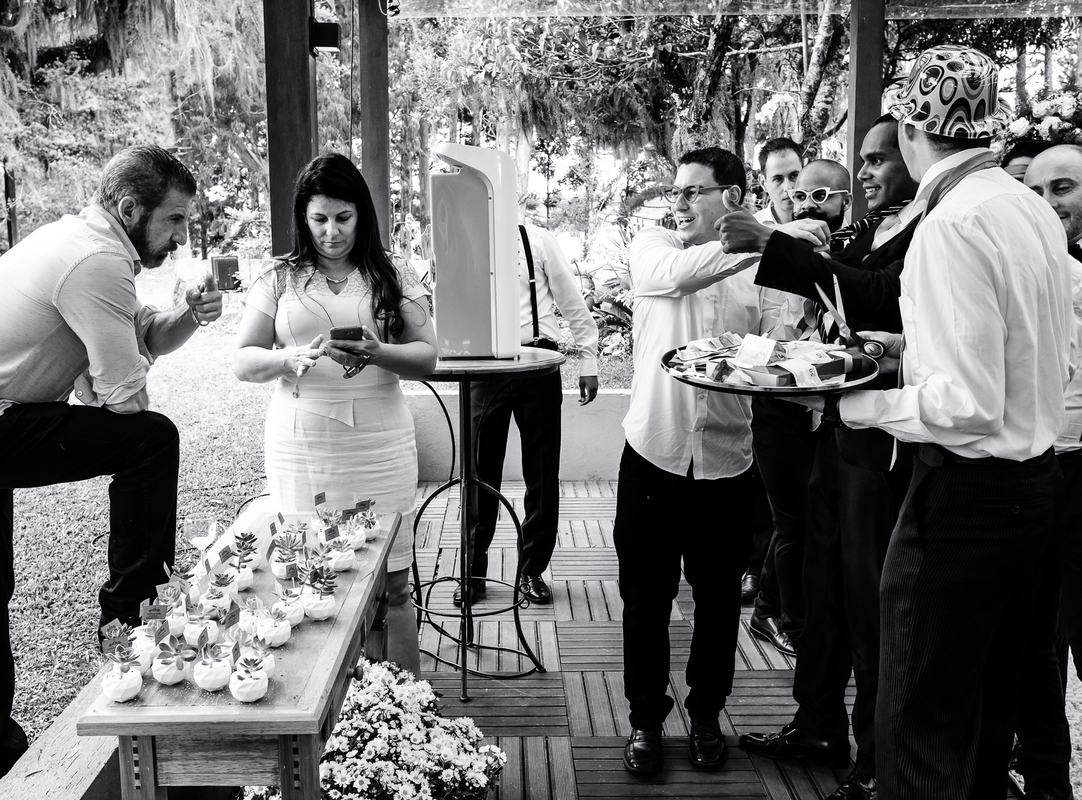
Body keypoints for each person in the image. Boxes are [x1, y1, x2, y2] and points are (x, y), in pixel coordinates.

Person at [0, 143, 222, 798]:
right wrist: (127, 366)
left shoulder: (87, 244)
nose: (179, 235)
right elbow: (122, 402)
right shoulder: (96, 260)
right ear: (129, 207)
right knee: (152, 439)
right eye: (172, 220)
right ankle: (132, 626)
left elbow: (140, 335)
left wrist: (186, 317)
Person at [823, 47, 1071, 800]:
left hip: (965, 503)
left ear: (907, 129)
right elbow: (1022, 350)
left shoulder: (950, 223)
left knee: (920, 723)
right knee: (990, 719)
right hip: (1035, 493)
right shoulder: (1024, 205)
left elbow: (966, 404)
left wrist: (850, 402)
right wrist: (906, 350)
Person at [720, 114, 920, 800]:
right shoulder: (868, 230)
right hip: (833, 435)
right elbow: (838, 294)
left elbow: (877, 298)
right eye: (861, 160)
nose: (865, 172)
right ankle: (817, 724)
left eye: (878, 159)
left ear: (917, 154)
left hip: (883, 444)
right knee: (820, 582)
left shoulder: (927, 231)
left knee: (868, 603)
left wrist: (775, 240)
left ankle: (873, 756)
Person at [616, 146, 826, 775]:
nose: (678, 203)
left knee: (716, 604)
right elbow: (682, 277)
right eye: (676, 191)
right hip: (653, 457)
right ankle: (646, 721)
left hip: (730, 465)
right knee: (644, 600)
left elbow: (781, 346)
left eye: (694, 192)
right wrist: (773, 238)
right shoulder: (652, 245)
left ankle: (706, 715)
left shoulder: (759, 268)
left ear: (732, 197)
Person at [233, 152, 436, 678]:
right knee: (307, 579)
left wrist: (378, 352)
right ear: (303, 216)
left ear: (362, 214)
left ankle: (402, 713)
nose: (331, 232)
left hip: (380, 444)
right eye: (318, 219)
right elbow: (243, 359)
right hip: (302, 446)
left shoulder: (392, 272)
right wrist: (287, 358)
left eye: (343, 218)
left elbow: (428, 356)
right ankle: (323, 715)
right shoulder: (280, 277)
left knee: (392, 584)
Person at [455, 194, 599, 607]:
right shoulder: (463, 246)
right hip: (484, 370)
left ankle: (531, 569)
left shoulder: (538, 239)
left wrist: (588, 358)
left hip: (538, 365)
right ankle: (473, 571)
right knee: (479, 475)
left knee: (541, 473)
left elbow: (572, 301)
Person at [1018, 143, 1082, 800]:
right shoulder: (1026, 259)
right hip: (1026, 471)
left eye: (1063, 187)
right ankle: (1047, 783)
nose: (1048, 203)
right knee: (1028, 648)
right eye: (1035, 190)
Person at [743, 156, 851, 657]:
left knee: (815, 520)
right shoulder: (767, 257)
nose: (804, 201)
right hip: (780, 404)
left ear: (845, 201)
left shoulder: (856, 255)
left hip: (832, 409)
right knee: (793, 521)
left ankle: (777, 605)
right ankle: (781, 617)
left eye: (818, 195)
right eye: (796, 193)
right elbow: (749, 333)